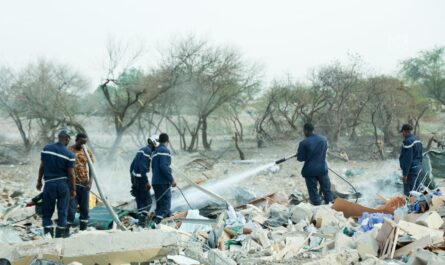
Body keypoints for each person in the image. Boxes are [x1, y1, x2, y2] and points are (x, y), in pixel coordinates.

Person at [36, 129, 76, 238]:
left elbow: (42, 167)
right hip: (63, 185)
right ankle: (59, 237)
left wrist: (39, 181)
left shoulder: (47, 149)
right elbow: (71, 174)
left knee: (47, 211)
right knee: (62, 211)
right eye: (68, 140)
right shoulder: (70, 154)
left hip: (49, 184)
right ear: (66, 139)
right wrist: (73, 189)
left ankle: (48, 235)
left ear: (59, 137)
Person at [296, 123, 333, 205]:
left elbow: (300, 159)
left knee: (313, 191)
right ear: (313, 130)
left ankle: (317, 206)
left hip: (310, 171)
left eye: (304, 131)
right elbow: (324, 152)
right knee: (327, 190)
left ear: (305, 130)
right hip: (322, 169)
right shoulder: (323, 140)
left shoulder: (303, 143)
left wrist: (300, 153)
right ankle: (331, 206)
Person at [66, 133, 94, 233]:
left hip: (84, 184)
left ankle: (83, 231)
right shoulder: (69, 150)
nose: (82, 145)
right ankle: (65, 231)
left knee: (85, 209)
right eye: (81, 142)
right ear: (76, 140)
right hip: (72, 185)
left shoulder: (87, 152)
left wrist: (90, 182)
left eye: (84, 143)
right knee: (71, 209)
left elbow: (91, 168)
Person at [130, 135, 159, 227]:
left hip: (136, 179)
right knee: (148, 201)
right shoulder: (148, 152)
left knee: (140, 202)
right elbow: (143, 168)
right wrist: (146, 181)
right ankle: (142, 222)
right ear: (155, 142)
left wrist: (133, 184)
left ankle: (139, 224)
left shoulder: (141, 149)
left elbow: (131, 167)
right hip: (142, 180)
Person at [151, 133, 176, 224]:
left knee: (160, 205)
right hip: (163, 182)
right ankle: (158, 223)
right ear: (168, 141)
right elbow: (163, 166)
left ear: (159, 141)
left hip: (155, 182)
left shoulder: (154, 152)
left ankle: (160, 224)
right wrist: (171, 179)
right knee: (165, 206)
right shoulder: (165, 151)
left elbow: (154, 167)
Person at [399, 124, 423, 196]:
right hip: (418, 168)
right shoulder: (417, 140)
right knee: (417, 189)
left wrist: (405, 174)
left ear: (405, 131)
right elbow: (421, 155)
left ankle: (409, 206)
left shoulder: (408, 141)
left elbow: (407, 159)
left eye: (402, 132)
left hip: (411, 171)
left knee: (409, 192)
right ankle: (418, 205)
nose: (402, 134)